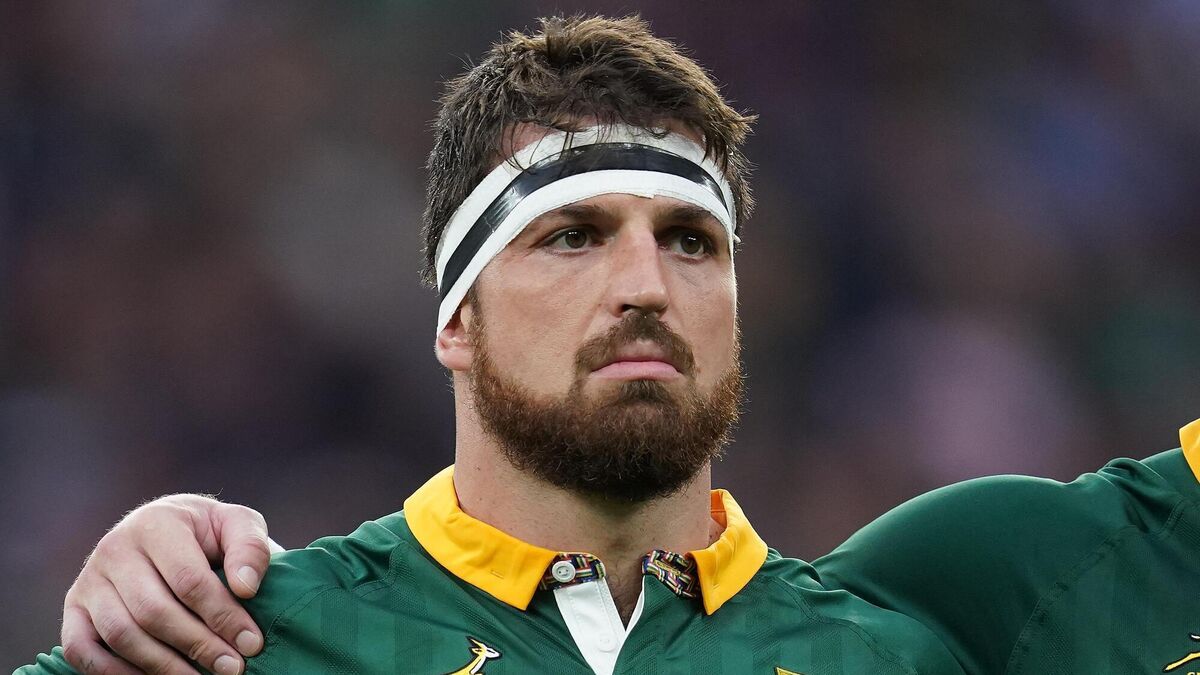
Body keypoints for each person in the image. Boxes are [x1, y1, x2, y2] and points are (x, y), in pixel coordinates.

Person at [18, 15, 963, 675]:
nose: (647, 285)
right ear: (455, 321)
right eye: (575, 236)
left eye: (690, 241)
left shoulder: (888, 658)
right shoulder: (243, 640)